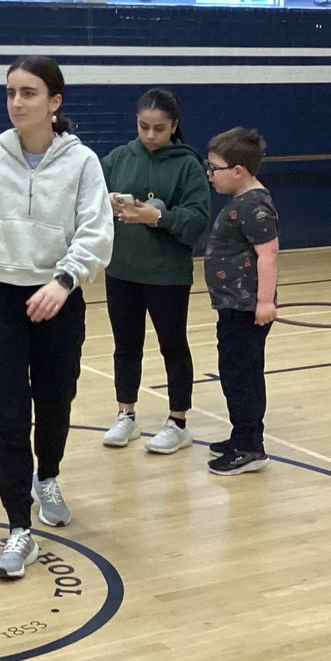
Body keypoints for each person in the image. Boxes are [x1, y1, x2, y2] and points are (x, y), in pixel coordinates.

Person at [0, 56, 113, 580]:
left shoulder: (83, 164)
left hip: (58, 301)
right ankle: (18, 527)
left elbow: (97, 232)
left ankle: (48, 476)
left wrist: (63, 280)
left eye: (29, 93)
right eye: (11, 92)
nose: (17, 102)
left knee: (56, 403)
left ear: (54, 103)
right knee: (8, 414)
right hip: (1, 304)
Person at [100, 88, 211, 454]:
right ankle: (126, 416)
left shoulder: (188, 165)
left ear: (174, 126)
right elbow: (88, 202)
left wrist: (159, 217)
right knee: (125, 346)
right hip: (122, 270)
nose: (150, 135)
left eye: (159, 128)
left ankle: (178, 422)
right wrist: (109, 203)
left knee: (173, 346)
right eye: (144, 127)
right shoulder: (117, 159)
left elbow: (197, 221)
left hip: (167, 274)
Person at [202, 127, 280, 476]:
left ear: (238, 171)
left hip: (245, 308)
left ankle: (250, 447)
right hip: (232, 305)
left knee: (240, 375)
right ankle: (242, 435)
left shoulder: (255, 205)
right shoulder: (243, 202)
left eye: (214, 168)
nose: (210, 175)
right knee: (237, 373)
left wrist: (264, 302)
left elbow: (269, 254)